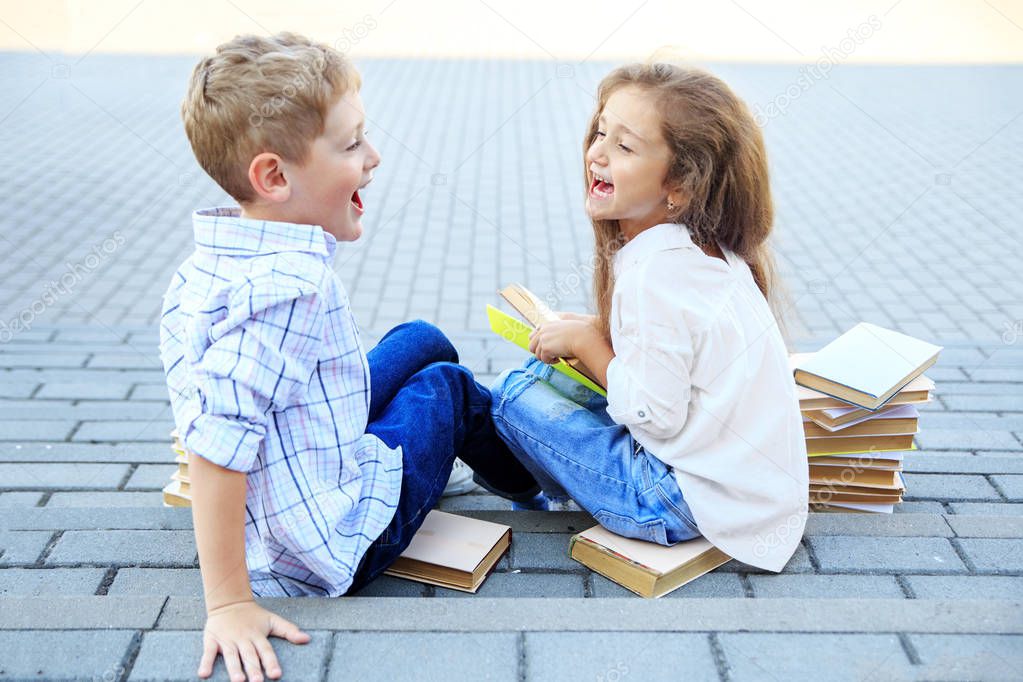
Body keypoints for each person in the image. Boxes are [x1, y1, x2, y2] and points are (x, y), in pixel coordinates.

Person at [159, 32, 539, 682]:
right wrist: (228, 602)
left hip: (306, 443)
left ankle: (496, 424)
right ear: (274, 176)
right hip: (333, 538)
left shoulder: (215, 257)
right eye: (351, 144)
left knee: (419, 337)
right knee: (445, 384)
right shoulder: (290, 292)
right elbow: (217, 445)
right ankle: (538, 477)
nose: (375, 156)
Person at [489, 62, 809, 573]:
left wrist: (594, 348)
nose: (597, 153)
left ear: (678, 186)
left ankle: (531, 499)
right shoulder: (708, 254)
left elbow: (654, 416)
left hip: (677, 502)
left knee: (511, 396)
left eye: (625, 146)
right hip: (743, 492)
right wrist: (595, 331)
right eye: (601, 132)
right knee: (543, 376)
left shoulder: (653, 275)